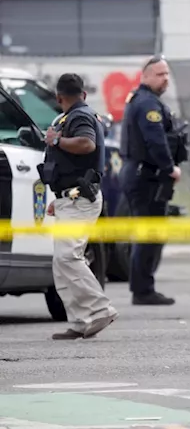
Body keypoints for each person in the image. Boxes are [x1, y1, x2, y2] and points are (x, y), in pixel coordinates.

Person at [38, 73, 119, 340]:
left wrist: (56, 140)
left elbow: (87, 144)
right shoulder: (72, 116)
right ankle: (80, 320)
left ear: (59, 98)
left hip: (80, 199)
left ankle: (100, 309)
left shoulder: (79, 116)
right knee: (61, 263)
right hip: (69, 198)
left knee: (67, 258)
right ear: (83, 94)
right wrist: (59, 198)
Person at [119, 55, 187, 306]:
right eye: (159, 74)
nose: (165, 78)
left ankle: (143, 286)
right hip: (145, 176)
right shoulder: (147, 104)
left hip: (140, 173)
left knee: (150, 231)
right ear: (145, 76)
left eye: (167, 73)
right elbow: (155, 140)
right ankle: (143, 289)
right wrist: (170, 168)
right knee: (149, 233)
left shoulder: (144, 100)